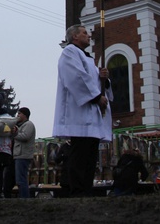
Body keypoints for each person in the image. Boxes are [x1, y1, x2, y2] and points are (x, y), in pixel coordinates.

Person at [52, 24, 113, 197]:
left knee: (89, 157)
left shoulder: (89, 60)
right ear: (75, 37)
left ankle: (86, 189)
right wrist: (96, 97)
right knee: (79, 156)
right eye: (85, 33)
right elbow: (76, 77)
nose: (89, 35)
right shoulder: (70, 52)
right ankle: (76, 190)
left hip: (91, 116)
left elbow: (94, 82)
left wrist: (104, 80)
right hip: (78, 114)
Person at [12, 107, 36, 198]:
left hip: (23, 155)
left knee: (21, 179)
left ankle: (24, 198)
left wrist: (14, 133)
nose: (17, 115)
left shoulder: (28, 124)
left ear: (25, 115)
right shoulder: (21, 125)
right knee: (20, 179)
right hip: (19, 155)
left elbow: (25, 136)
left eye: (19, 113)